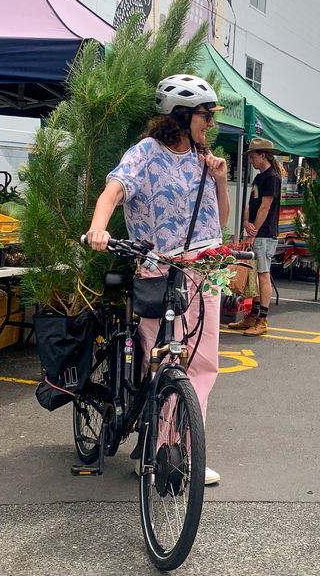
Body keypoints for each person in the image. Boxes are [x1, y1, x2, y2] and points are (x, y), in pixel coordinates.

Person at [86, 74, 229, 486]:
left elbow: (219, 220)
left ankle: (184, 452)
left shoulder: (204, 156)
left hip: (206, 268)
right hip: (159, 270)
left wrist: (219, 179)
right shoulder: (145, 153)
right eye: (205, 115)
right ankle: (157, 450)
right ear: (182, 116)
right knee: (167, 360)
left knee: (203, 364)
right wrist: (99, 228)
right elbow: (113, 191)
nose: (210, 123)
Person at [228, 138, 284, 337]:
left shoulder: (272, 178)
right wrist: (246, 223)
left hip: (266, 234)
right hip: (258, 233)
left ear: (263, 155)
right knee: (256, 275)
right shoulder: (260, 177)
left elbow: (265, 207)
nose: (250, 159)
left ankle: (262, 319)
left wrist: (252, 232)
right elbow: (251, 205)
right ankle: (253, 315)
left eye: (252, 155)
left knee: (263, 274)